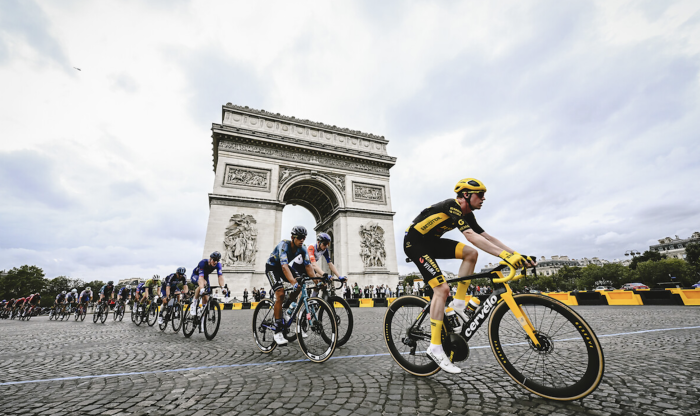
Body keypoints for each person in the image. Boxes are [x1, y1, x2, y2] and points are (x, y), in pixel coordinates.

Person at [403, 178, 535, 374]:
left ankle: (458, 304)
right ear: (466, 195)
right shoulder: (452, 205)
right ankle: (435, 348)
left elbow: (487, 237)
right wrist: (506, 256)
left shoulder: (468, 214)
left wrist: (517, 254)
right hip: (415, 244)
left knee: (471, 254)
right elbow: (471, 236)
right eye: (480, 195)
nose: (483, 199)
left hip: (431, 243)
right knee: (442, 289)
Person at [265, 225, 316, 345]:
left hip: (286, 267)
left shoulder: (303, 248)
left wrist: (316, 281)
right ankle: (277, 331)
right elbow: (284, 266)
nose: (302, 240)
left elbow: (308, 266)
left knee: (300, 285)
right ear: (293, 237)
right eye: (299, 237)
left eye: (304, 237)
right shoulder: (284, 245)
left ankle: (285, 309)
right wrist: (293, 282)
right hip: (272, 267)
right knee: (280, 293)